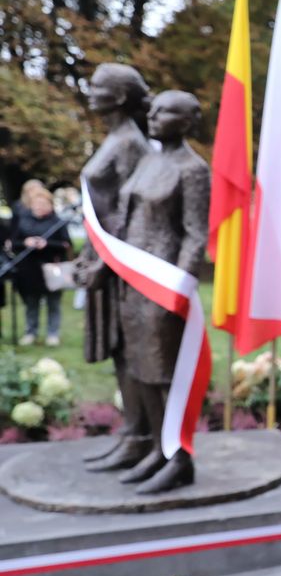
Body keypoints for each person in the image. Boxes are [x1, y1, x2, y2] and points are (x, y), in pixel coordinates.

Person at [111, 90, 209, 493]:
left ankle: (179, 459)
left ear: (187, 121)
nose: (152, 114)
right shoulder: (149, 160)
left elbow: (196, 236)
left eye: (165, 110)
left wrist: (178, 292)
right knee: (141, 370)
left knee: (167, 375)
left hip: (163, 284)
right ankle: (156, 448)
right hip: (133, 282)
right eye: (153, 108)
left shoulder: (193, 169)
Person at [76, 63, 155, 471]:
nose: (90, 91)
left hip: (125, 267)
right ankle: (132, 432)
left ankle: (142, 437)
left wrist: (106, 265)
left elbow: (131, 214)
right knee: (118, 352)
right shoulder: (114, 139)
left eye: (98, 86)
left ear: (121, 97)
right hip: (105, 263)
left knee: (131, 352)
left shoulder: (130, 145)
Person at [11, 186, 71, 346]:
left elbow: (66, 244)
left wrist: (47, 244)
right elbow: (13, 243)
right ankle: (31, 332)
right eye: (36, 204)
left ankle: (53, 333)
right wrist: (26, 242)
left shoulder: (57, 222)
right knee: (31, 303)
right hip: (29, 269)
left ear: (50, 205)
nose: (39, 207)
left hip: (51, 267)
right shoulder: (23, 220)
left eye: (43, 204)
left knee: (53, 303)